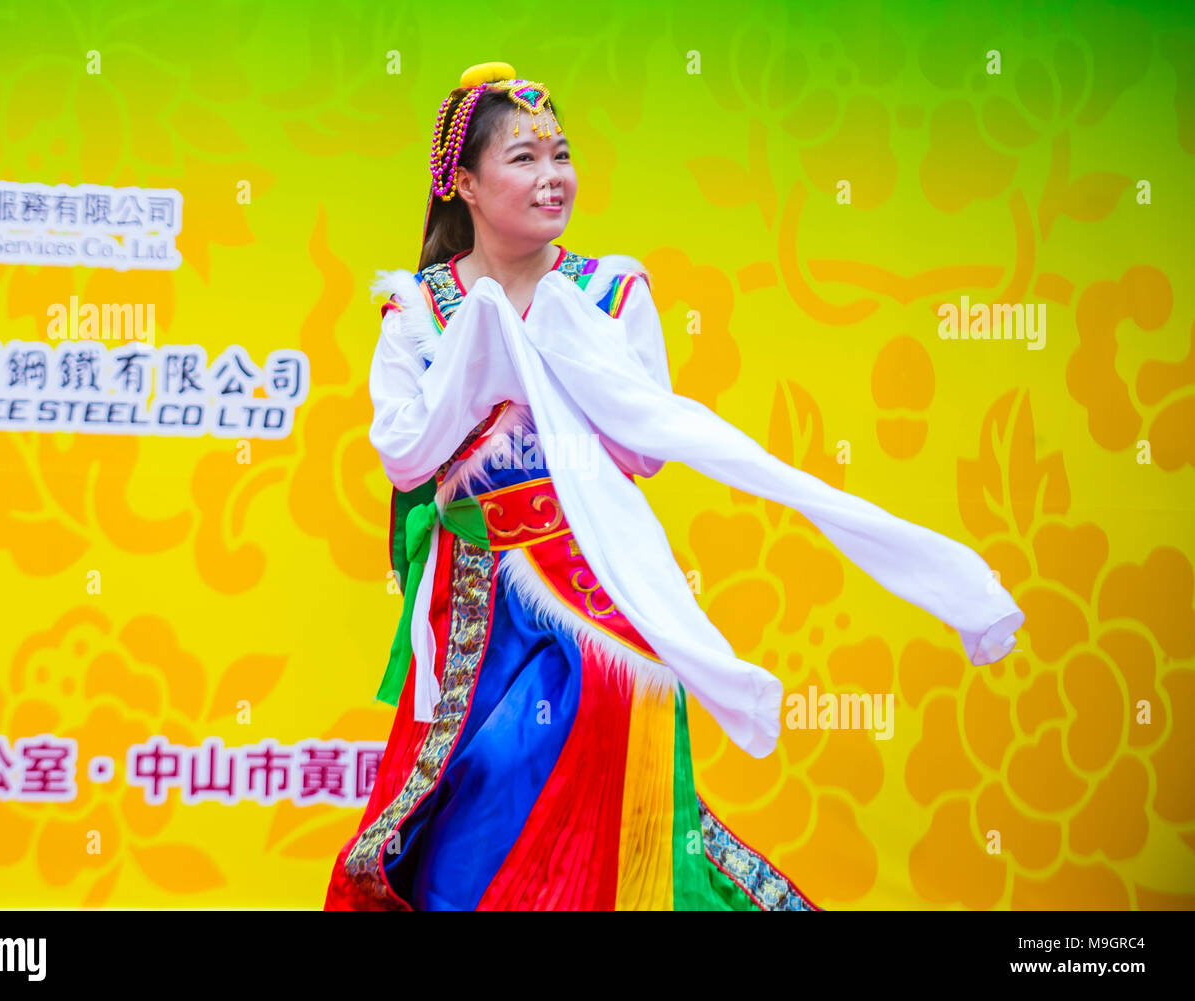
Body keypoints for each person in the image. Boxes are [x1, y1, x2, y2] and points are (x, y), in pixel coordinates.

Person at [324, 62, 1024, 911]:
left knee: (566, 795)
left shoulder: (607, 292)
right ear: (463, 182)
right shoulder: (419, 309)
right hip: (470, 606)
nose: (553, 178)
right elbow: (404, 456)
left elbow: (643, 447)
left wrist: (559, 351)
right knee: (456, 820)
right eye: (524, 159)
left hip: (594, 594)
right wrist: (483, 355)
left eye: (562, 155)